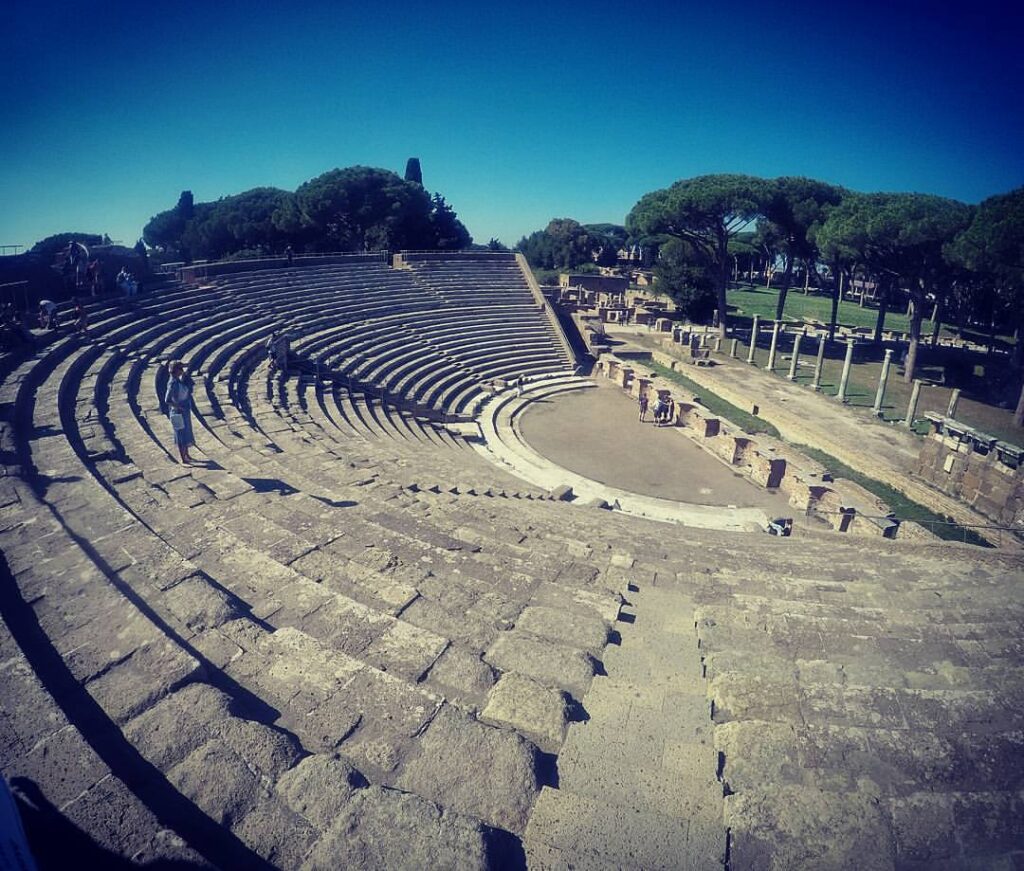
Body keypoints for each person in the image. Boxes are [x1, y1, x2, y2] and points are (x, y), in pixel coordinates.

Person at [165, 360, 195, 463]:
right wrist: (179, 407)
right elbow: (167, 400)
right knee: (180, 435)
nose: (182, 371)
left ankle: (187, 455)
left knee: (186, 433)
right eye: (181, 369)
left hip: (183, 411)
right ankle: (183, 459)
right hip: (177, 412)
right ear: (176, 370)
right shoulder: (172, 383)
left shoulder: (178, 380)